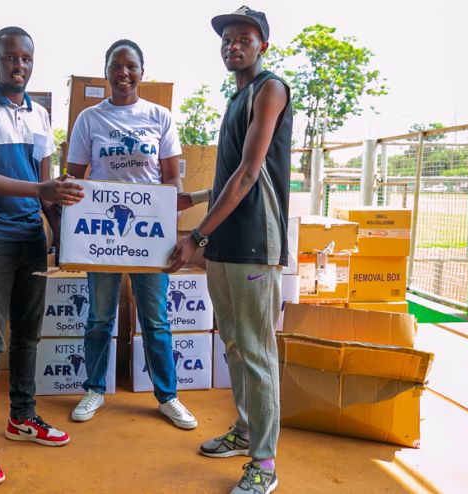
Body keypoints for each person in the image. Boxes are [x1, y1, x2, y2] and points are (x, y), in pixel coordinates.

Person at [0, 26, 84, 487]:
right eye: (10, 57)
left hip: (30, 237)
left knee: (28, 337)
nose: (19, 66)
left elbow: (47, 191)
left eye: (26, 58)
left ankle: (22, 418)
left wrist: (64, 233)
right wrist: (41, 189)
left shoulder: (40, 115)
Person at [167, 6, 292, 494]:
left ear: (263, 45)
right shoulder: (237, 96)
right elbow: (233, 173)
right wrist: (194, 198)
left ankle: (265, 461)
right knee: (236, 345)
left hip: (254, 242)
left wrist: (196, 234)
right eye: (227, 39)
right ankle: (244, 432)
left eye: (244, 38)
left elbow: (248, 175)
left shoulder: (270, 89)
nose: (232, 45)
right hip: (225, 242)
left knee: (258, 353)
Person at [67, 39, 197, 430]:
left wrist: (171, 233)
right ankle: (93, 389)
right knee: (99, 317)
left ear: (142, 71)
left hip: (150, 237)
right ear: (106, 71)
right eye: (115, 66)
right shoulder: (89, 119)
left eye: (130, 67)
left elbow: (171, 178)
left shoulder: (159, 117)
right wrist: (71, 234)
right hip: (102, 235)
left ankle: (168, 396)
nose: (123, 74)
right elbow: (74, 179)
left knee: (155, 319)